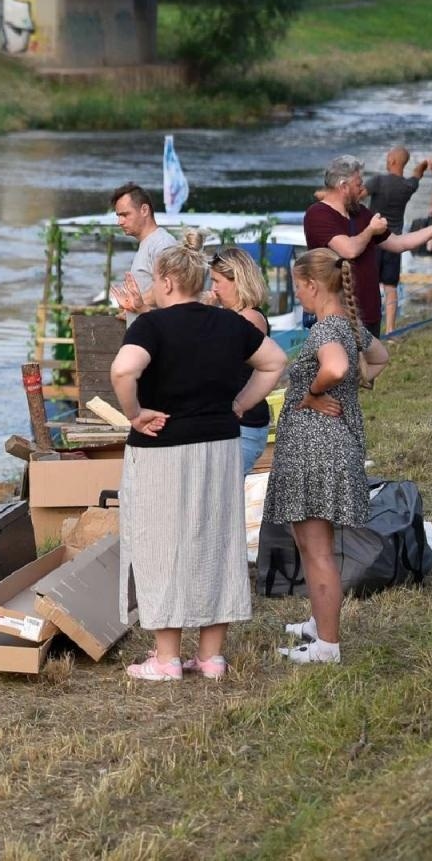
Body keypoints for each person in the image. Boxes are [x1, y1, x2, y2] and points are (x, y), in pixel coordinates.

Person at [111, 236, 287, 682]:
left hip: (162, 449)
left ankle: (167, 657)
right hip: (221, 444)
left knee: (160, 544)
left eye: (155, 281)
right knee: (218, 541)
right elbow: (275, 362)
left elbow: (123, 369)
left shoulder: (151, 326)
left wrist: (134, 413)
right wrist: (240, 403)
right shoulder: (229, 323)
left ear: (168, 282)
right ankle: (211, 657)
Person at [266, 249, 390, 665]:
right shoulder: (348, 325)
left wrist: (314, 392)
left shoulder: (325, 330)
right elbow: (380, 357)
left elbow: (334, 367)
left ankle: (327, 647)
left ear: (312, 285)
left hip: (316, 449)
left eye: (297, 287)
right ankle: (319, 622)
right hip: (332, 446)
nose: (297, 295)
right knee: (309, 541)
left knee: (317, 549)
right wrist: (355, 381)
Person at [303, 155, 432, 339]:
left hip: (369, 314)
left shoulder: (361, 213)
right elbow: (349, 250)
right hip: (335, 318)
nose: (362, 188)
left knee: (374, 357)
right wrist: (371, 230)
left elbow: (399, 243)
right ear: (343, 186)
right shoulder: (317, 214)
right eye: (358, 184)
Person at [207, 247, 275, 477]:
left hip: (243, 423)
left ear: (237, 280)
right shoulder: (232, 317)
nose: (213, 289)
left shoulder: (249, 318)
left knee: (225, 489)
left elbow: (217, 359)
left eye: (217, 281)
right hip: (234, 422)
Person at [363, 148, 431, 335]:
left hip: (374, 242)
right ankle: (391, 330)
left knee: (369, 286)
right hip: (396, 243)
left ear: (392, 160)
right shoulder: (408, 186)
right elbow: (417, 175)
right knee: (391, 287)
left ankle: (368, 329)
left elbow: (357, 195)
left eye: (388, 158)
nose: (387, 161)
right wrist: (424, 165)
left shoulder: (378, 181)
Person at [108, 182, 179, 323]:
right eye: (118, 216)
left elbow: (170, 287)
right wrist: (130, 310)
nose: (119, 222)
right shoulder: (148, 243)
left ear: (144, 210)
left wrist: (130, 303)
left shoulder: (162, 243)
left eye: (125, 215)